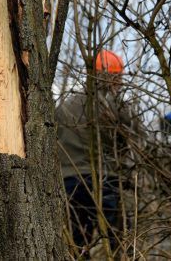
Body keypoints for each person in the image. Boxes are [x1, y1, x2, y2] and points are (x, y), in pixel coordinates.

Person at [55, 49, 145, 251]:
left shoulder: (66, 106)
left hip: (69, 184)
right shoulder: (118, 107)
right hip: (107, 183)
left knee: (76, 246)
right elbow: (139, 142)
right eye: (119, 78)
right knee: (120, 243)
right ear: (114, 78)